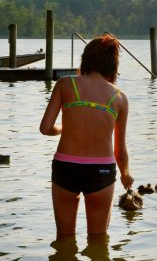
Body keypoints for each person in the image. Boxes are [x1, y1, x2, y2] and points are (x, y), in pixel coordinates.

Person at [40, 34, 134, 237]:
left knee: (64, 238)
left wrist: (63, 129)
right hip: (101, 172)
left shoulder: (66, 85)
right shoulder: (119, 98)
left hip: (66, 168)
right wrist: (125, 174)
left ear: (86, 59)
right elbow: (120, 150)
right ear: (112, 65)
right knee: (98, 240)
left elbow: (45, 128)